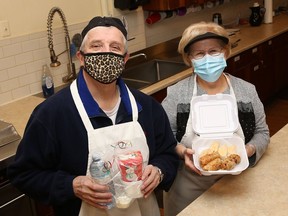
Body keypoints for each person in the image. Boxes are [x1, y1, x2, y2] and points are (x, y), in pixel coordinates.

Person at [8, 16, 179, 216]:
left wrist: (159, 170)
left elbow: (168, 153)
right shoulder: (52, 113)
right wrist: (71, 185)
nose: (106, 52)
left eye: (114, 47)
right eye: (96, 46)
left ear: (124, 59)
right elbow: (23, 174)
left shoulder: (146, 107)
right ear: (81, 57)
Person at [162, 21, 270, 216]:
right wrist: (181, 151)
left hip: (238, 185)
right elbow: (163, 136)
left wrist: (248, 150)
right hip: (188, 189)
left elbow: (262, 132)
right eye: (199, 54)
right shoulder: (177, 94)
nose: (207, 58)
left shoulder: (246, 90)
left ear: (226, 52)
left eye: (213, 51)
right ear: (189, 59)